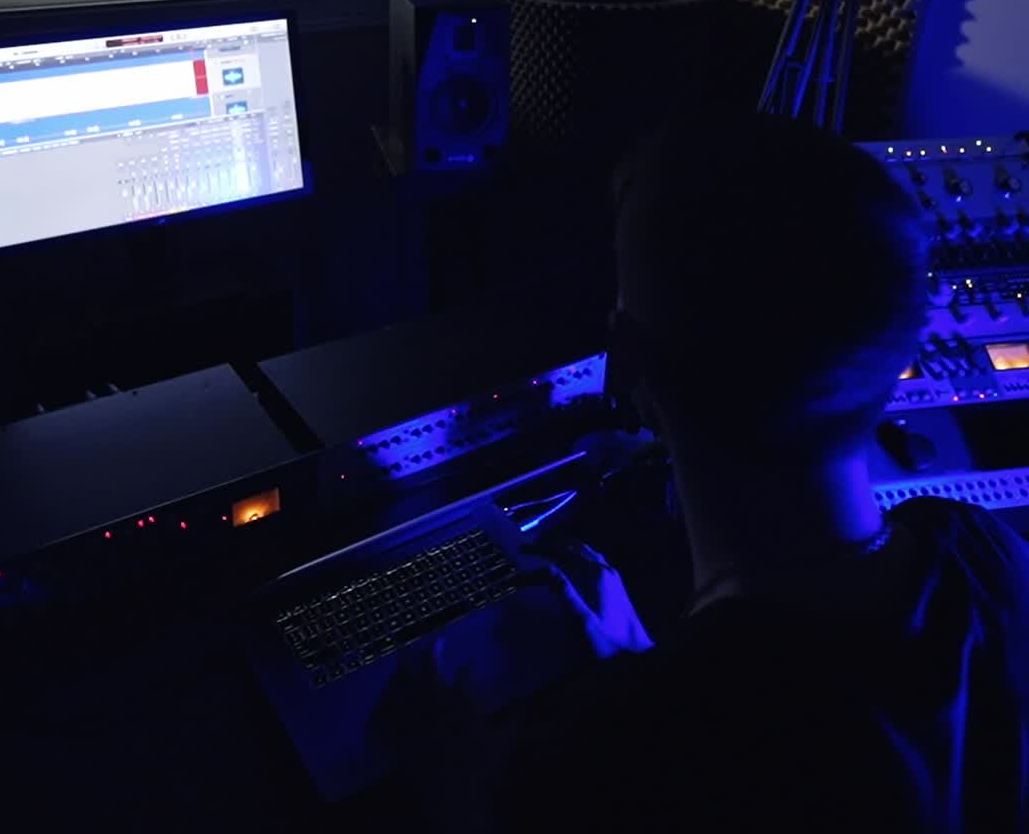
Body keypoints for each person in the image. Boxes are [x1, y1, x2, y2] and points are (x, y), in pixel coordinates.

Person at [384, 112, 1029, 833]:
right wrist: (645, 668)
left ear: (625, 360)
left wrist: (446, 769)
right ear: (899, 358)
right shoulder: (986, 553)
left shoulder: (610, 758)